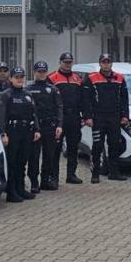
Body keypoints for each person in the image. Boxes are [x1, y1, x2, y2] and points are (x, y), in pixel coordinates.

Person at [82, 53, 130, 183]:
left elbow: (124, 99)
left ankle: (114, 173)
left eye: (108, 62)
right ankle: (95, 174)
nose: (106, 64)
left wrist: (125, 115)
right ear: (100, 64)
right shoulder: (91, 78)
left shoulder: (120, 78)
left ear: (111, 63)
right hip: (98, 117)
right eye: (104, 62)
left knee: (114, 145)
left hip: (114, 117)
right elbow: (85, 100)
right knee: (97, 146)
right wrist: (87, 117)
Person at [0, 67, 40, 203]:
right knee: (12, 162)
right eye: (17, 77)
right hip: (12, 131)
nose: (20, 80)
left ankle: (20, 189)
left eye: (22, 77)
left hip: (26, 131)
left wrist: (37, 129)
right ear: (11, 78)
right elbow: (0, 116)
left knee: (22, 161)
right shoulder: (6, 95)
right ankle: (11, 192)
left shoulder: (27, 94)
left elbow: (34, 113)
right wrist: (2, 133)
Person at [26, 61, 64, 192]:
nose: (41, 74)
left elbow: (59, 107)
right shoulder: (28, 89)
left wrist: (59, 125)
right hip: (35, 128)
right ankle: (34, 182)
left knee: (49, 155)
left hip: (50, 126)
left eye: (44, 71)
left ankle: (45, 180)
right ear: (34, 72)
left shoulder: (53, 89)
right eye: (39, 71)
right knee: (34, 156)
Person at [49, 52, 85, 184]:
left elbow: (83, 99)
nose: (67, 64)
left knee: (73, 147)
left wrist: (84, 116)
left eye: (70, 62)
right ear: (60, 62)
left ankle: (71, 175)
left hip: (74, 117)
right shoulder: (52, 78)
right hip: (59, 118)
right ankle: (54, 177)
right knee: (56, 149)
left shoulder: (78, 78)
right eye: (65, 62)